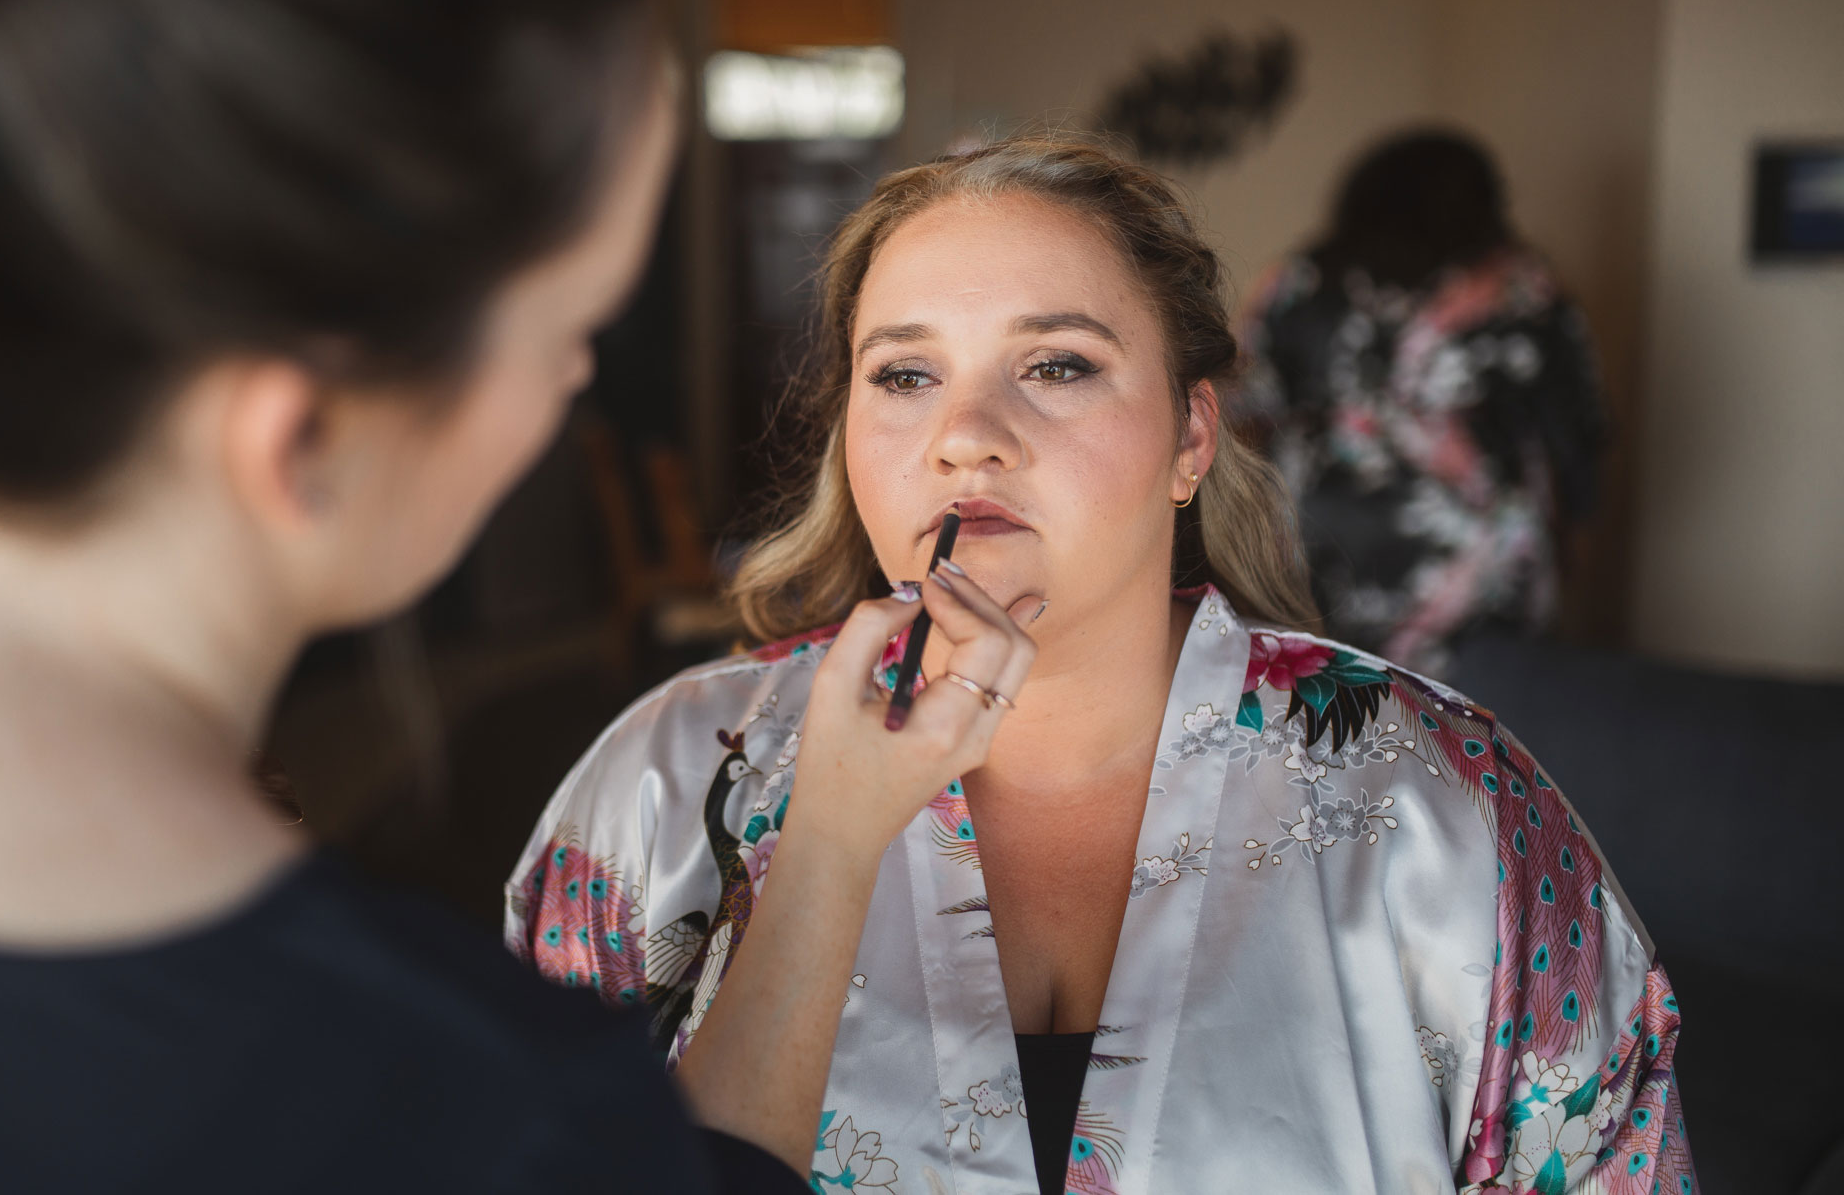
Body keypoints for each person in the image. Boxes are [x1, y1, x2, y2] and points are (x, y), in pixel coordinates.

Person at [0, 0, 1013, 1188]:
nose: (574, 385)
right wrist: (832, 854)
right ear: (303, 437)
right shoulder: (459, 1112)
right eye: (568, 333)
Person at [508, 138, 1695, 1194]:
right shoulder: (664, 790)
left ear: (1190, 435)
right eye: (904, 375)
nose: (963, 431)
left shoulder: (1447, 803)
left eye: (1058, 364)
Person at [1234, 129, 1608, 678]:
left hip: (1318, 549)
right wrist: (1572, 533)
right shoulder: (1523, 290)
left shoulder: (1297, 282)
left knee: (1329, 732)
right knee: (1475, 742)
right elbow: (1575, 433)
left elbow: (1239, 409)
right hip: (1480, 563)